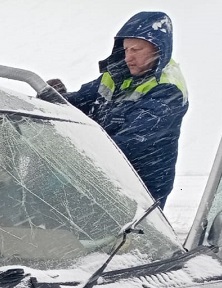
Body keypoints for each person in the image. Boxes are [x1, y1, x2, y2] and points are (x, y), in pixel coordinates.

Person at [49, 12, 188, 208]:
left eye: (136, 50)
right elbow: (82, 101)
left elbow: (128, 143)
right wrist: (57, 98)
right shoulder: (117, 75)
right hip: (103, 176)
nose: (128, 57)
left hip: (139, 189)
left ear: (158, 49)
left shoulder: (167, 90)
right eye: (125, 50)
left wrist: (72, 153)